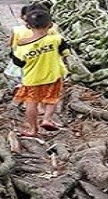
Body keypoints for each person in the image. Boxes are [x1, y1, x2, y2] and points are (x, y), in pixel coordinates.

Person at [10, 9, 70, 137]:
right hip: (53, 77)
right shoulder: (57, 40)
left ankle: (32, 129)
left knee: (31, 103)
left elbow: (18, 63)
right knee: (52, 100)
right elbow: (66, 53)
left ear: (28, 26)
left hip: (32, 80)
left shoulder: (22, 47)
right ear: (50, 25)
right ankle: (47, 119)